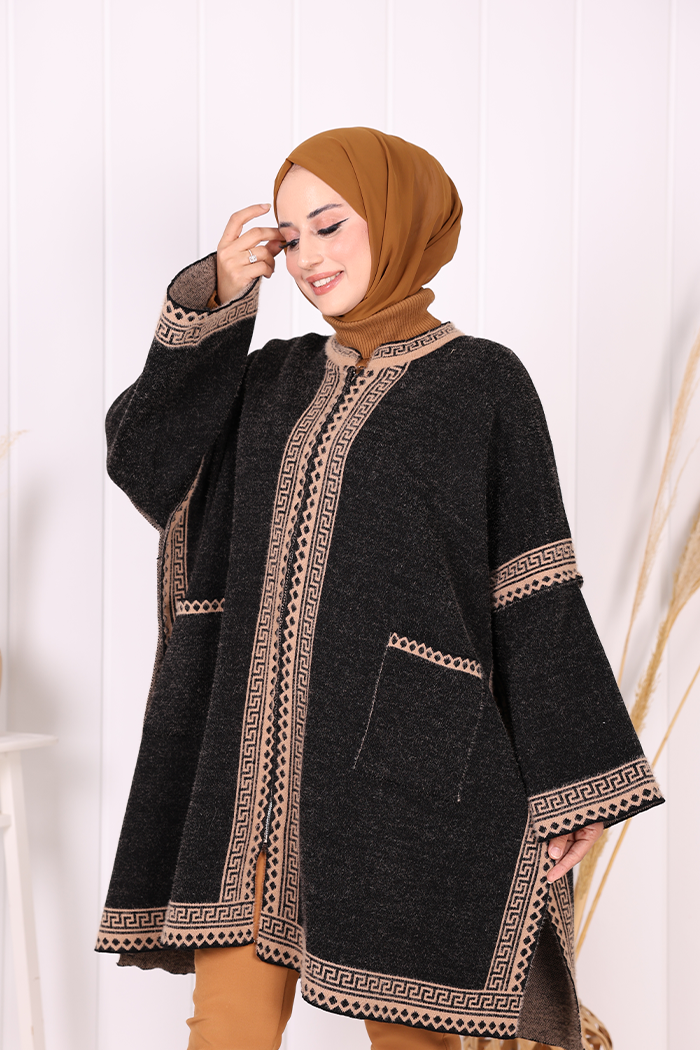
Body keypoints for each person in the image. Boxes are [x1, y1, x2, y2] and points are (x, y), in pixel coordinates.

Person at [96, 128, 663, 1050]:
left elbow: (532, 583)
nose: (309, 258)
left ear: (397, 220)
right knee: (227, 1026)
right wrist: (219, 300)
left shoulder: (481, 383)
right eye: (290, 238)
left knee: (418, 1039)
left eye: (330, 226)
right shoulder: (269, 379)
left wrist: (576, 782)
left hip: (408, 773)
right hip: (249, 778)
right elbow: (147, 459)